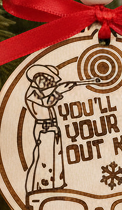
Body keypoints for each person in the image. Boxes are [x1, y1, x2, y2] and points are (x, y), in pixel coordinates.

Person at [24, 65, 81, 199]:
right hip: (44, 129)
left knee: (54, 160)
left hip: (51, 128)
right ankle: (37, 190)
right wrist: (58, 91)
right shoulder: (32, 92)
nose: (51, 83)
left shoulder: (40, 91)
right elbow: (46, 102)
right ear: (39, 77)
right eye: (49, 79)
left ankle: (54, 188)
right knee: (43, 160)